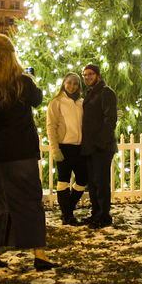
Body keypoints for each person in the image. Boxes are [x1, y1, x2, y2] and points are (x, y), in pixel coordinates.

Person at [0, 34, 57, 271]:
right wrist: (31, 77)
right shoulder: (23, 81)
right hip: (21, 150)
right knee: (30, 199)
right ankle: (39, 254)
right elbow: (38, 99)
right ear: (13, 55)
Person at [79, 63, 118, 228]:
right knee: (93, 183)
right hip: (89, 146)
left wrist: (100, 142)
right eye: (85, 75)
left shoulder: (106, 92)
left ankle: (104, 216)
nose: (87, 77)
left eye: (90, 74)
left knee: (101, 183)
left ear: (98, 76)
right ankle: (95, 214)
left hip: (102, 147)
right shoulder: (90, 93)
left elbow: (110, 119)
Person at [46, 73, 86, 225]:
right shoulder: (56, 102)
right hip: (64, 146)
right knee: (63, 181)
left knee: (82, 179)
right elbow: (51, 127)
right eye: (69, 83)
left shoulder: (82, 102)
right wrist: (55, 149)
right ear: (64, 83)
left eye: (75, 84)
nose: (72, 86)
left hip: (79, 147)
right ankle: (68, 216)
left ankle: (67, 210)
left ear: (78, 86)